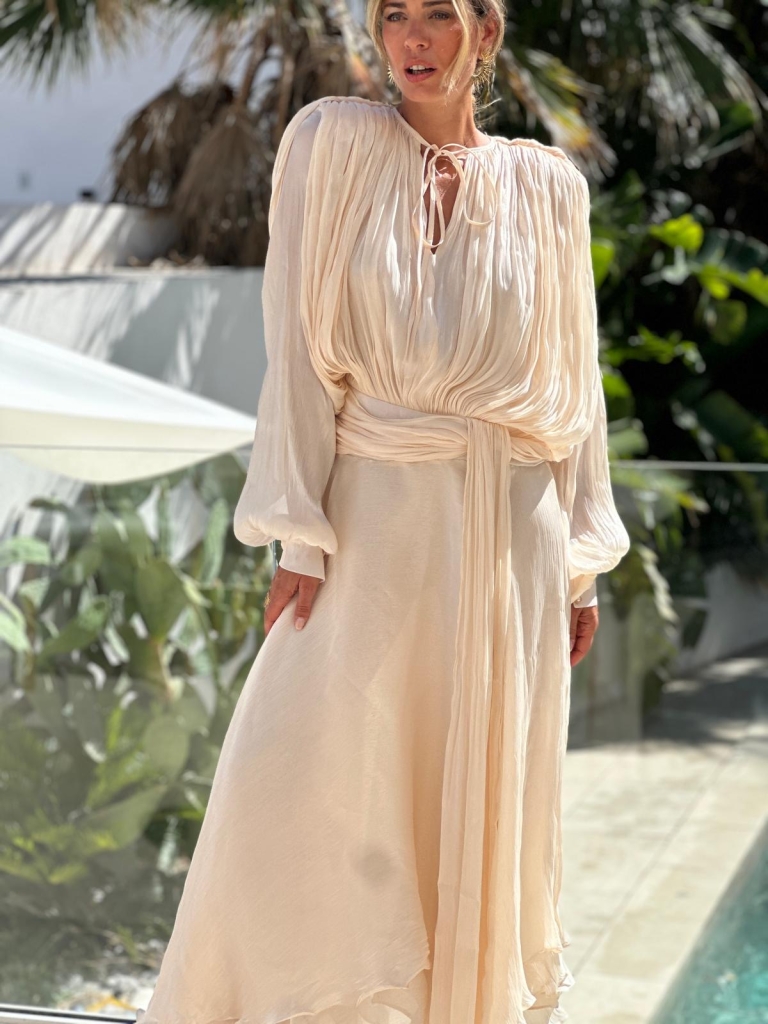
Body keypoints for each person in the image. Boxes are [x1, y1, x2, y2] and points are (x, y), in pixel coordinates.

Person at [135, 1, 630, 1022]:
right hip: (372, 519)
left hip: (512, 537)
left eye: (438, 14)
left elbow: (574, 387)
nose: (411, 38)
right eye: (393, 14)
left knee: (471, 804)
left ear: (484, 33)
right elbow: (295, 350)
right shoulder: (331, 143)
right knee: (298, 771)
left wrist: (582, 563)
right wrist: (297, 530)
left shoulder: (550, 187)